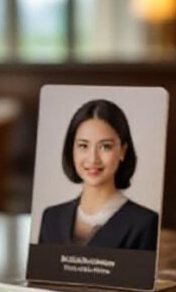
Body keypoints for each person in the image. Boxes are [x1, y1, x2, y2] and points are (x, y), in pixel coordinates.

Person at [38, 99, 158, 250]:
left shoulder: (144, 223)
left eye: (105, 146)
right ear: (72, 149)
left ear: (123, 151)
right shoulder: (51, 218)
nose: (93, 158)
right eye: (83, 146)